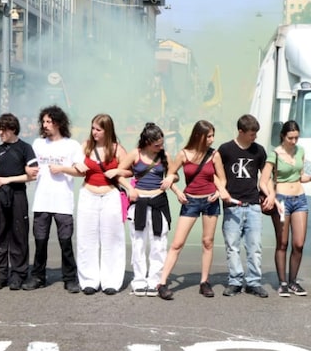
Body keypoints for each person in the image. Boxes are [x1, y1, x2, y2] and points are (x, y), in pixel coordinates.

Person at [156, 120, 222, 299]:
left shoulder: (214, 155)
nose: (212, 139)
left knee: (207, 242)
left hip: (210, 201)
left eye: (212, 135)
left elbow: (222, 180)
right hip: (190, 201)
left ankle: (204, 282)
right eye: (209, 136)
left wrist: (218, 191)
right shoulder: (184, 154)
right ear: (199, 136)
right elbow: (171, 174)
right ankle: (162, 283)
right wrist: (177, 191)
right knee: (177, 243)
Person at [22, 105, 84, 293]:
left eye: (49, 121)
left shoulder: (72, 145)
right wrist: (27, 170)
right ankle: (38, 276)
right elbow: (29, 166)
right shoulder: (38, 144)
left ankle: (70, 278)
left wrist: (62, 169)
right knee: (40, 242)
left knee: (65, 242)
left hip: (63, 201)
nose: (46, 125)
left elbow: (81, 171)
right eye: (44, 121)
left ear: (59, 123)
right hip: (41, 199)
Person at [118, 123, 180, 297]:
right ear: (146, 142)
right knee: (138, 243)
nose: (160, 147)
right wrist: (129, 189)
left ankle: (155, 281)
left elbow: (175, 174)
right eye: (156, 145)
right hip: (139, 203)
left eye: (162, 143)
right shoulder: (135, 154)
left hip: (158, 201)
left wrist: (169, 178)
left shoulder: (165, 155)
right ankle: (139, 280)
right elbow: (119, 173)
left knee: (159, 243)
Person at [215, 114, 273, 298]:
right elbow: (214, 173)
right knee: (232, 246)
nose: (254, 137)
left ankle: (254, 282)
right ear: (240, 131)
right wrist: (222, 192)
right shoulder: (225, 149)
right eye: (251, 134)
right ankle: (235, 281)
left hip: (254, 204)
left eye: (256, 134)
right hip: (232, 205)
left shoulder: (259, 151)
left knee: (254, 246)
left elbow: (266, 177)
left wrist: (270, 195)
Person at [260, 120, 311, 297]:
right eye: (290, 138)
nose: (294, 141)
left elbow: (299, 176)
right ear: (283, 136)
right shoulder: (275, 154)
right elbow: (263, 180)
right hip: (282, 200)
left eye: (296, 138)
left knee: (299, 243)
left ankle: (294, 281)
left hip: (300, 198)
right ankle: (283, 282)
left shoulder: (300, 151)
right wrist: (271, 196)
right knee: (283, 242)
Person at [74, 114, 128, 295]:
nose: (94, 132)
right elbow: (74, 161)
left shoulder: (117, 149)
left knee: (112, 238)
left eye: (98, 129)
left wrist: (117, 170)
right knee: (86, 238)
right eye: (93, 128)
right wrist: (76, 163)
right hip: (88, 194)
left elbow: (130, 171)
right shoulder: (86, 146)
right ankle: (89, 280)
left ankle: (111, 280)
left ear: (107, 130)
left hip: (110, 195)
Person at [0, 113, 37, 290]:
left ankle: (18, 273)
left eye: (3, 129)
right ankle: (1, 273)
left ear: (13, 129)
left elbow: (32, 176)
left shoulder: (25, 148)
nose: (0, 133)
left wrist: (8, 180)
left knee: (18, 234)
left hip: (18, 195)